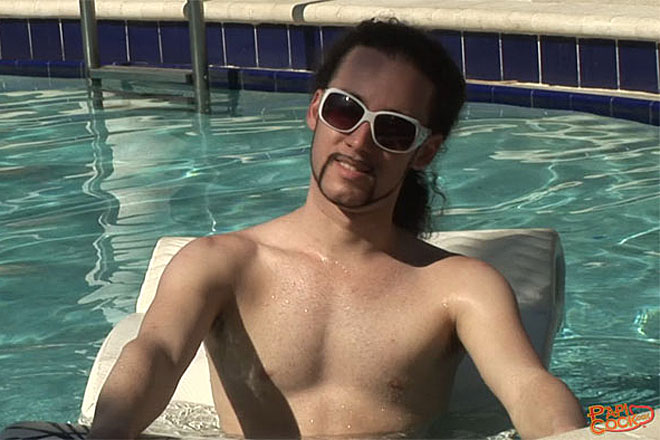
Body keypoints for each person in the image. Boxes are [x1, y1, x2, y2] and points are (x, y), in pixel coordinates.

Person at [88, 19, 585, 439]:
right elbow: (156, 355)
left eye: (393, 129)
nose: (359, 141)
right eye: (345, 110)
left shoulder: (459, 288)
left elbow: (528, 386)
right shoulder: (220, 264)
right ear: (315, 110)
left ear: (424, 152)